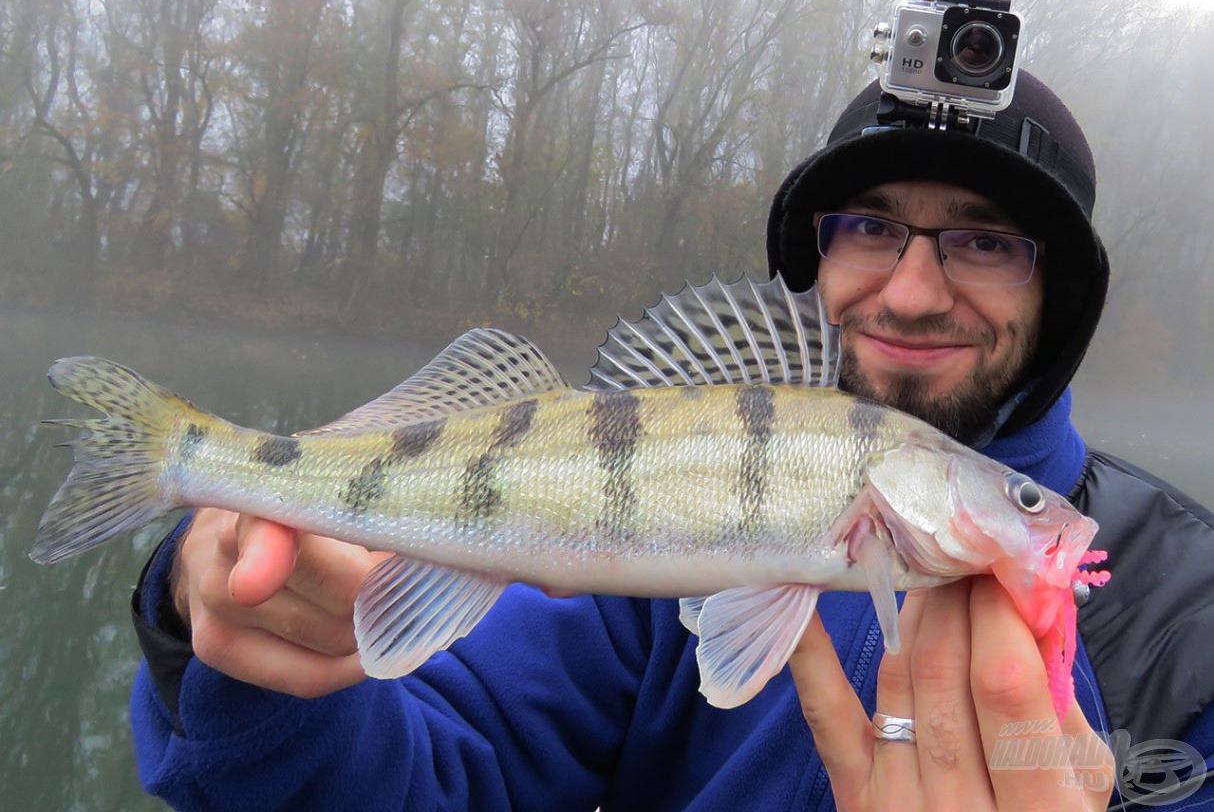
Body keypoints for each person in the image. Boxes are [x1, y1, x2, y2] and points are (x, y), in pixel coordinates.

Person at [129, 72, 1214, 810]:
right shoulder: (646, 577)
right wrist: (215, 632)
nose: (912, 288)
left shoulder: (1188, 624)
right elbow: (423, 775)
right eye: (870, 226)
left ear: (1057, 292)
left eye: (983, 241)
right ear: (820, 257)